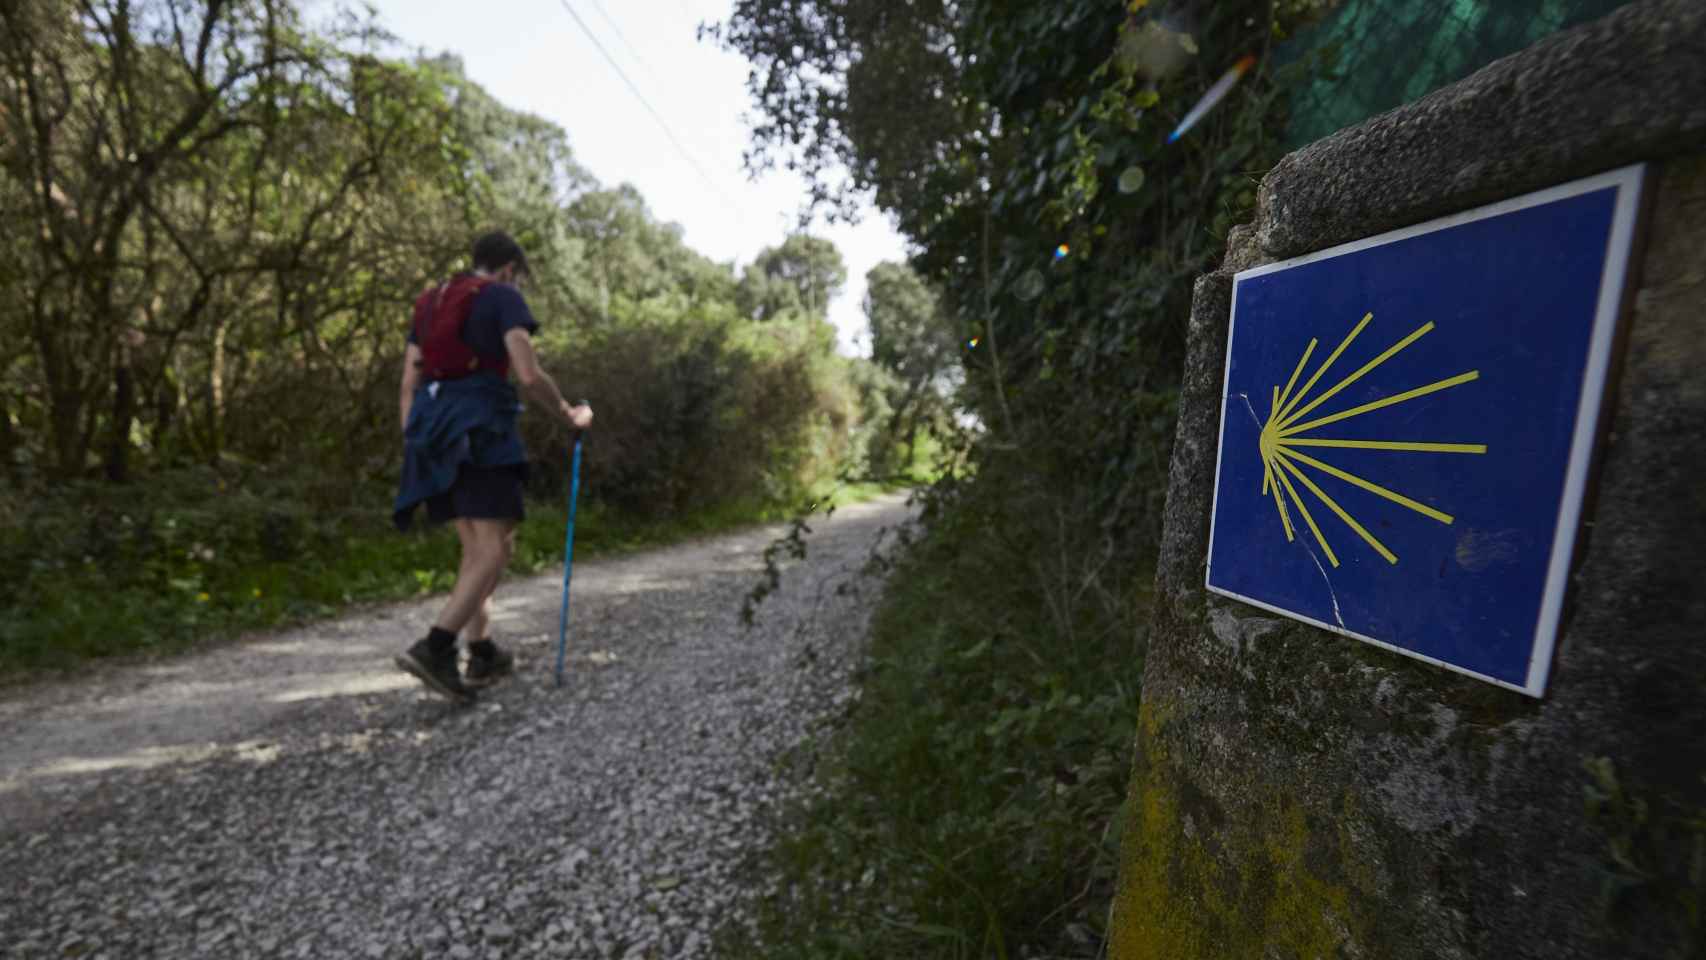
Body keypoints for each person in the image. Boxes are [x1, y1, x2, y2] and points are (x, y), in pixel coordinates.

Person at [392, 231, 593, 704]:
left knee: (477, 548)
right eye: (518, 278)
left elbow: (409, 380)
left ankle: (480, 651)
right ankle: (436, 646)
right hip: (482, 431)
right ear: (508, 270)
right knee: (493, 551)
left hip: (432, 431)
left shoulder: (430, 302)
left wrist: (415, 439)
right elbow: (526, 372)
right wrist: (568, 413)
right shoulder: (502, 297)